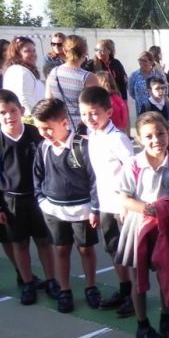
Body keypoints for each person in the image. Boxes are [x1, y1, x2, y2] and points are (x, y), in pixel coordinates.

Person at [0, 89, 57, 304]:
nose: (9, 116)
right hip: (11, 202)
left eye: (13, 110)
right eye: (3, 112)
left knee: (44, 241)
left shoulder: (35, 134)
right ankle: (27, 283)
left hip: (38, 199)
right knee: (19, 244)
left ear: (21, 110)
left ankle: (51, 281)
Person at [115, 111, 169, 338]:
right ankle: (142, 324)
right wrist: (147, 208)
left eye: (160, 134)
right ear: (139, 139)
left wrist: (167, 210)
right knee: (138, 280)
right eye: (149, 136)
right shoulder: (134, 164)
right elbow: (124, 198)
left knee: (165, 274)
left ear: (168, 134)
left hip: (164, 228)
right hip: (138, 227)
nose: (156, 140)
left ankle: (165, 320)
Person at [32, 98, 100, 313]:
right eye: (40, 128)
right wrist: (41, 200)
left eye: (48, 128)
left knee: (86, 249)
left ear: (64, 123)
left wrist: (95, 207)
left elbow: (94, 179)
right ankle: (64, 290)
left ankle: (91, 287)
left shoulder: (82, 145)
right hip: (53, 210)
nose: (44, 133)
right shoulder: (43, 147)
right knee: (61, 250)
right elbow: (37, 176)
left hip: (82, 209)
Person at [79, 86, 136, 316]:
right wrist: (95, 207)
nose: (89, 118)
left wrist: (127, 203)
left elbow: (133, 172)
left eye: (94, 113)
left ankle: (136, 296)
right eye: (84, 114)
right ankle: (125, 289)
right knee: (113, 249)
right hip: (104, 205)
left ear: (109, 112)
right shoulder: (92, 136)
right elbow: (96, 176)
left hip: (123, 207)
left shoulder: (118, 138)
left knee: (129, 253)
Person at [45, 34, 98, 132]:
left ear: (64, 50)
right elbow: (95, 107)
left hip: (60, 127)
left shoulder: (53, 72)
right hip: (83, 128)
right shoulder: (88, 77)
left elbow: (48, 101)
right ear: (85, 53)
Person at [2, 36, 45, 113]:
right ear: (17, 54)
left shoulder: (17, 70)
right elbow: (24, 101)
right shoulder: (21, 72)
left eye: (34, 51)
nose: (33, 54)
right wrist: (32, 119)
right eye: (27, 51)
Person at [128, 51, 157, 117]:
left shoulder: (158, 74)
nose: (141, 62)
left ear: (151, 62)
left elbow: (165, 89)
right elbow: (131, 92)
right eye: (140, 60)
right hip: (141, 109)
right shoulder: (134, 75)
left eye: (144, 61)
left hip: (156, 108)